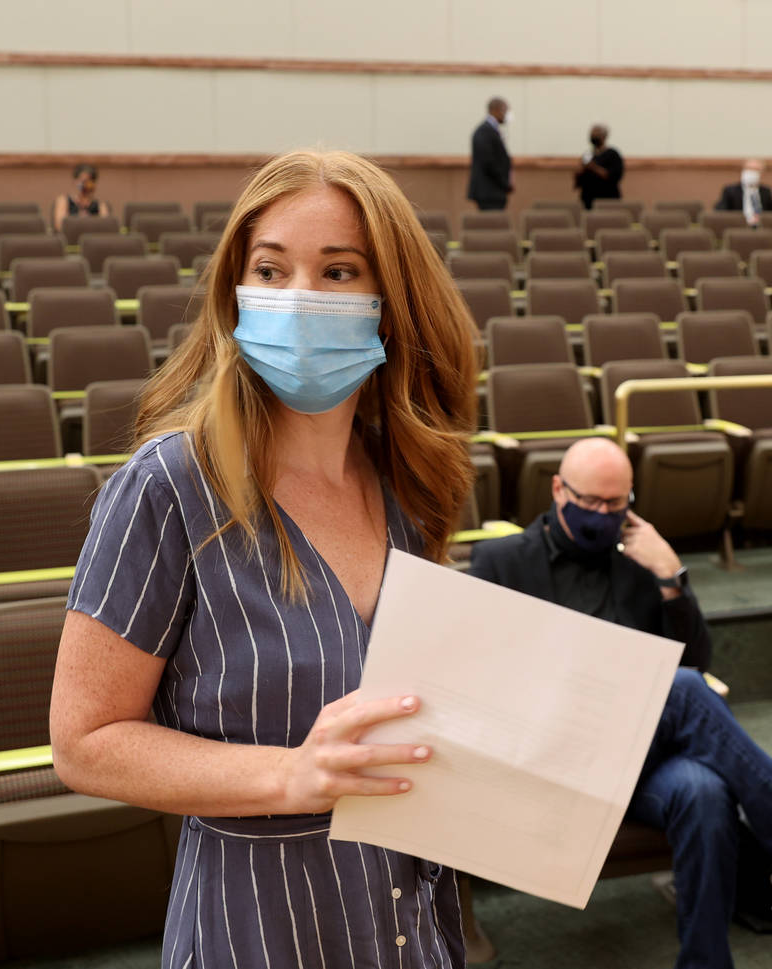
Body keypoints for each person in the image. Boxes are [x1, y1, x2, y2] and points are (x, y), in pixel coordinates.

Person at [50, 149, 479, 967]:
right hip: (258, 930)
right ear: (235, 294)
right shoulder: (168, 486)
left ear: (391, 304)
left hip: (406, 924)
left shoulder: (408, 484)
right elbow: (84, 741)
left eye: (339, 271)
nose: (299, 299)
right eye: (271, 270)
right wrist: (290, 775)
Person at [469, 438, 772, 969]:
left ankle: (706, 962)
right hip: (550, 754)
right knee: (682, 689)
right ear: (558, 489)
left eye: (616, 504)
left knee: (703, 790)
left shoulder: (638, 560)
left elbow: (696, 657)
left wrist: (671, 578)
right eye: (590, 502)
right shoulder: (501, 562)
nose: (603, 515)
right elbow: (481, 678)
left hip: (635, 759)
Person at [467, 97, 513, 211]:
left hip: (494, 191)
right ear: (496, 110)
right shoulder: (484, 131)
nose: (506, 115)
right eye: (505, 111)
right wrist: (504, 183)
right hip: (489, 191)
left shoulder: (491, 130)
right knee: (492, 225)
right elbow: (488, 162)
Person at [574, 124, 624, 209]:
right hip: (588, 200)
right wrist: (579, 173)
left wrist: (593, 167)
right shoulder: (588, 154)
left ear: (604, 136)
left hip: (607, 198)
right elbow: (579, 180)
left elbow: (613, 176)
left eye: (596, 133)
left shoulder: (613, 154)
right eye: (592, 134)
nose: (593, 136)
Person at [714, 159, 772, 227]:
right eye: (749, 169)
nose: (751, 173)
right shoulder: (730, 190)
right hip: (737, 227)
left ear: (762, 173)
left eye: (755, 170)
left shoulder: (765, 191)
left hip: (760, 228)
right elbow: (720, 211)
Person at [53, 162, 110, 231]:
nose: (85, 185)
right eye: (82, 181)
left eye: (89, 181)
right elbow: (59, 226)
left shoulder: (100, 205)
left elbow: (106, 227)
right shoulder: (64, 201)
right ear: (75, 181)